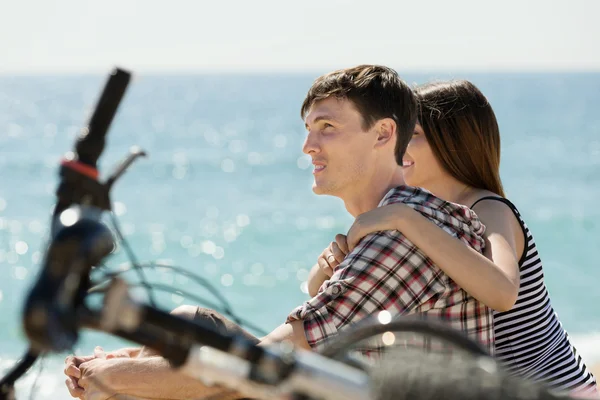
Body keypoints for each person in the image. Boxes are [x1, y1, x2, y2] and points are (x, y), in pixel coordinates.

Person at [63, 65, 494, 400]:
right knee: (186, 326)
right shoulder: (406, 220)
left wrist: (113, 376)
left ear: (383, 134)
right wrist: (129, 364)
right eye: (308, 129)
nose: (309, 145)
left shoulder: (400, 238)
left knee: (174, 379)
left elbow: (265, 363)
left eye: (327, 128)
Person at [309, 79, 598, 396]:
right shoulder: (433, 218)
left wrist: (405, 219)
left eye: (413, 135)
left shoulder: (487, 207)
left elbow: (502, 291)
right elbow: (325, 299)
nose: (398, 146)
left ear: (453, 142)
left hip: (556, 390)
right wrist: (332, 265)